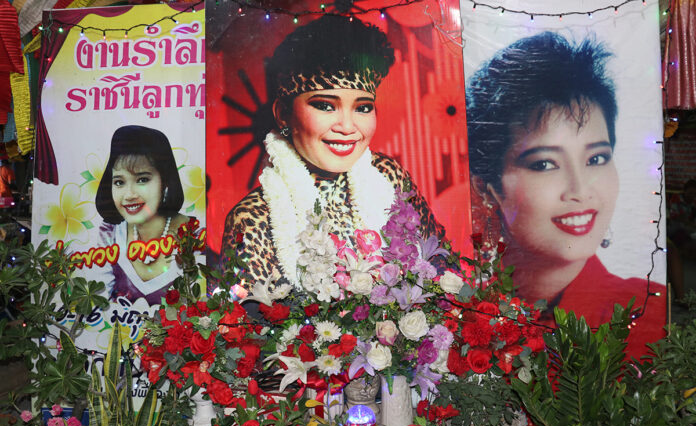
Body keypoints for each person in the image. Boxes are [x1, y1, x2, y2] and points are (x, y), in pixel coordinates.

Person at [466, 32, 666, 358]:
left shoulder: (647, 316)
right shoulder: (456, 308)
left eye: (596, 159)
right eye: (545, 163)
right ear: (486, 189)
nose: (580, 189)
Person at [220, 15, 445, 290]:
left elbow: (440, 269)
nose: (348, 127)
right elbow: (245, 326)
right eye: (326, 105)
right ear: (282, 114)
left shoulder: (389, 177)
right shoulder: (254, 218)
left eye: (362, 107)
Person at [95, 125, 197, 306]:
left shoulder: (195, 235)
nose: (129, 195)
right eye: (119, 182)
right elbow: (96, 307)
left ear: (164, 181)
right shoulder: (109, 236)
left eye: (142, 180)